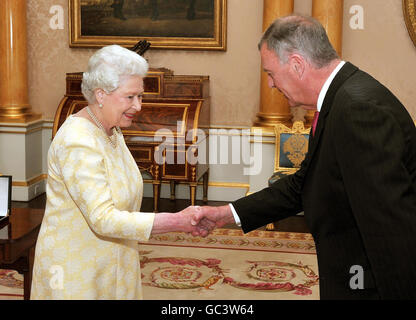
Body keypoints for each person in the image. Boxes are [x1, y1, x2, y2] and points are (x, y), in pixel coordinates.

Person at [191, 15, 416, 300]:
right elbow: (305, 184)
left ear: (297, 65)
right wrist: (226, 214)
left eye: (271, 73)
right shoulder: (339, 99)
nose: (271, 85)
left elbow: (390, 229)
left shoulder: (358, 110)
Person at [30, 45, 212, 300]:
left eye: (141, 96)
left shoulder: (111, 130)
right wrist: (175, 221)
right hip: (76, 275)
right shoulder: (78, 140)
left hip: (114, 265)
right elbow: (103, 218)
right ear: (101, 95)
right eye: (130, 97)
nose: (138, 106)